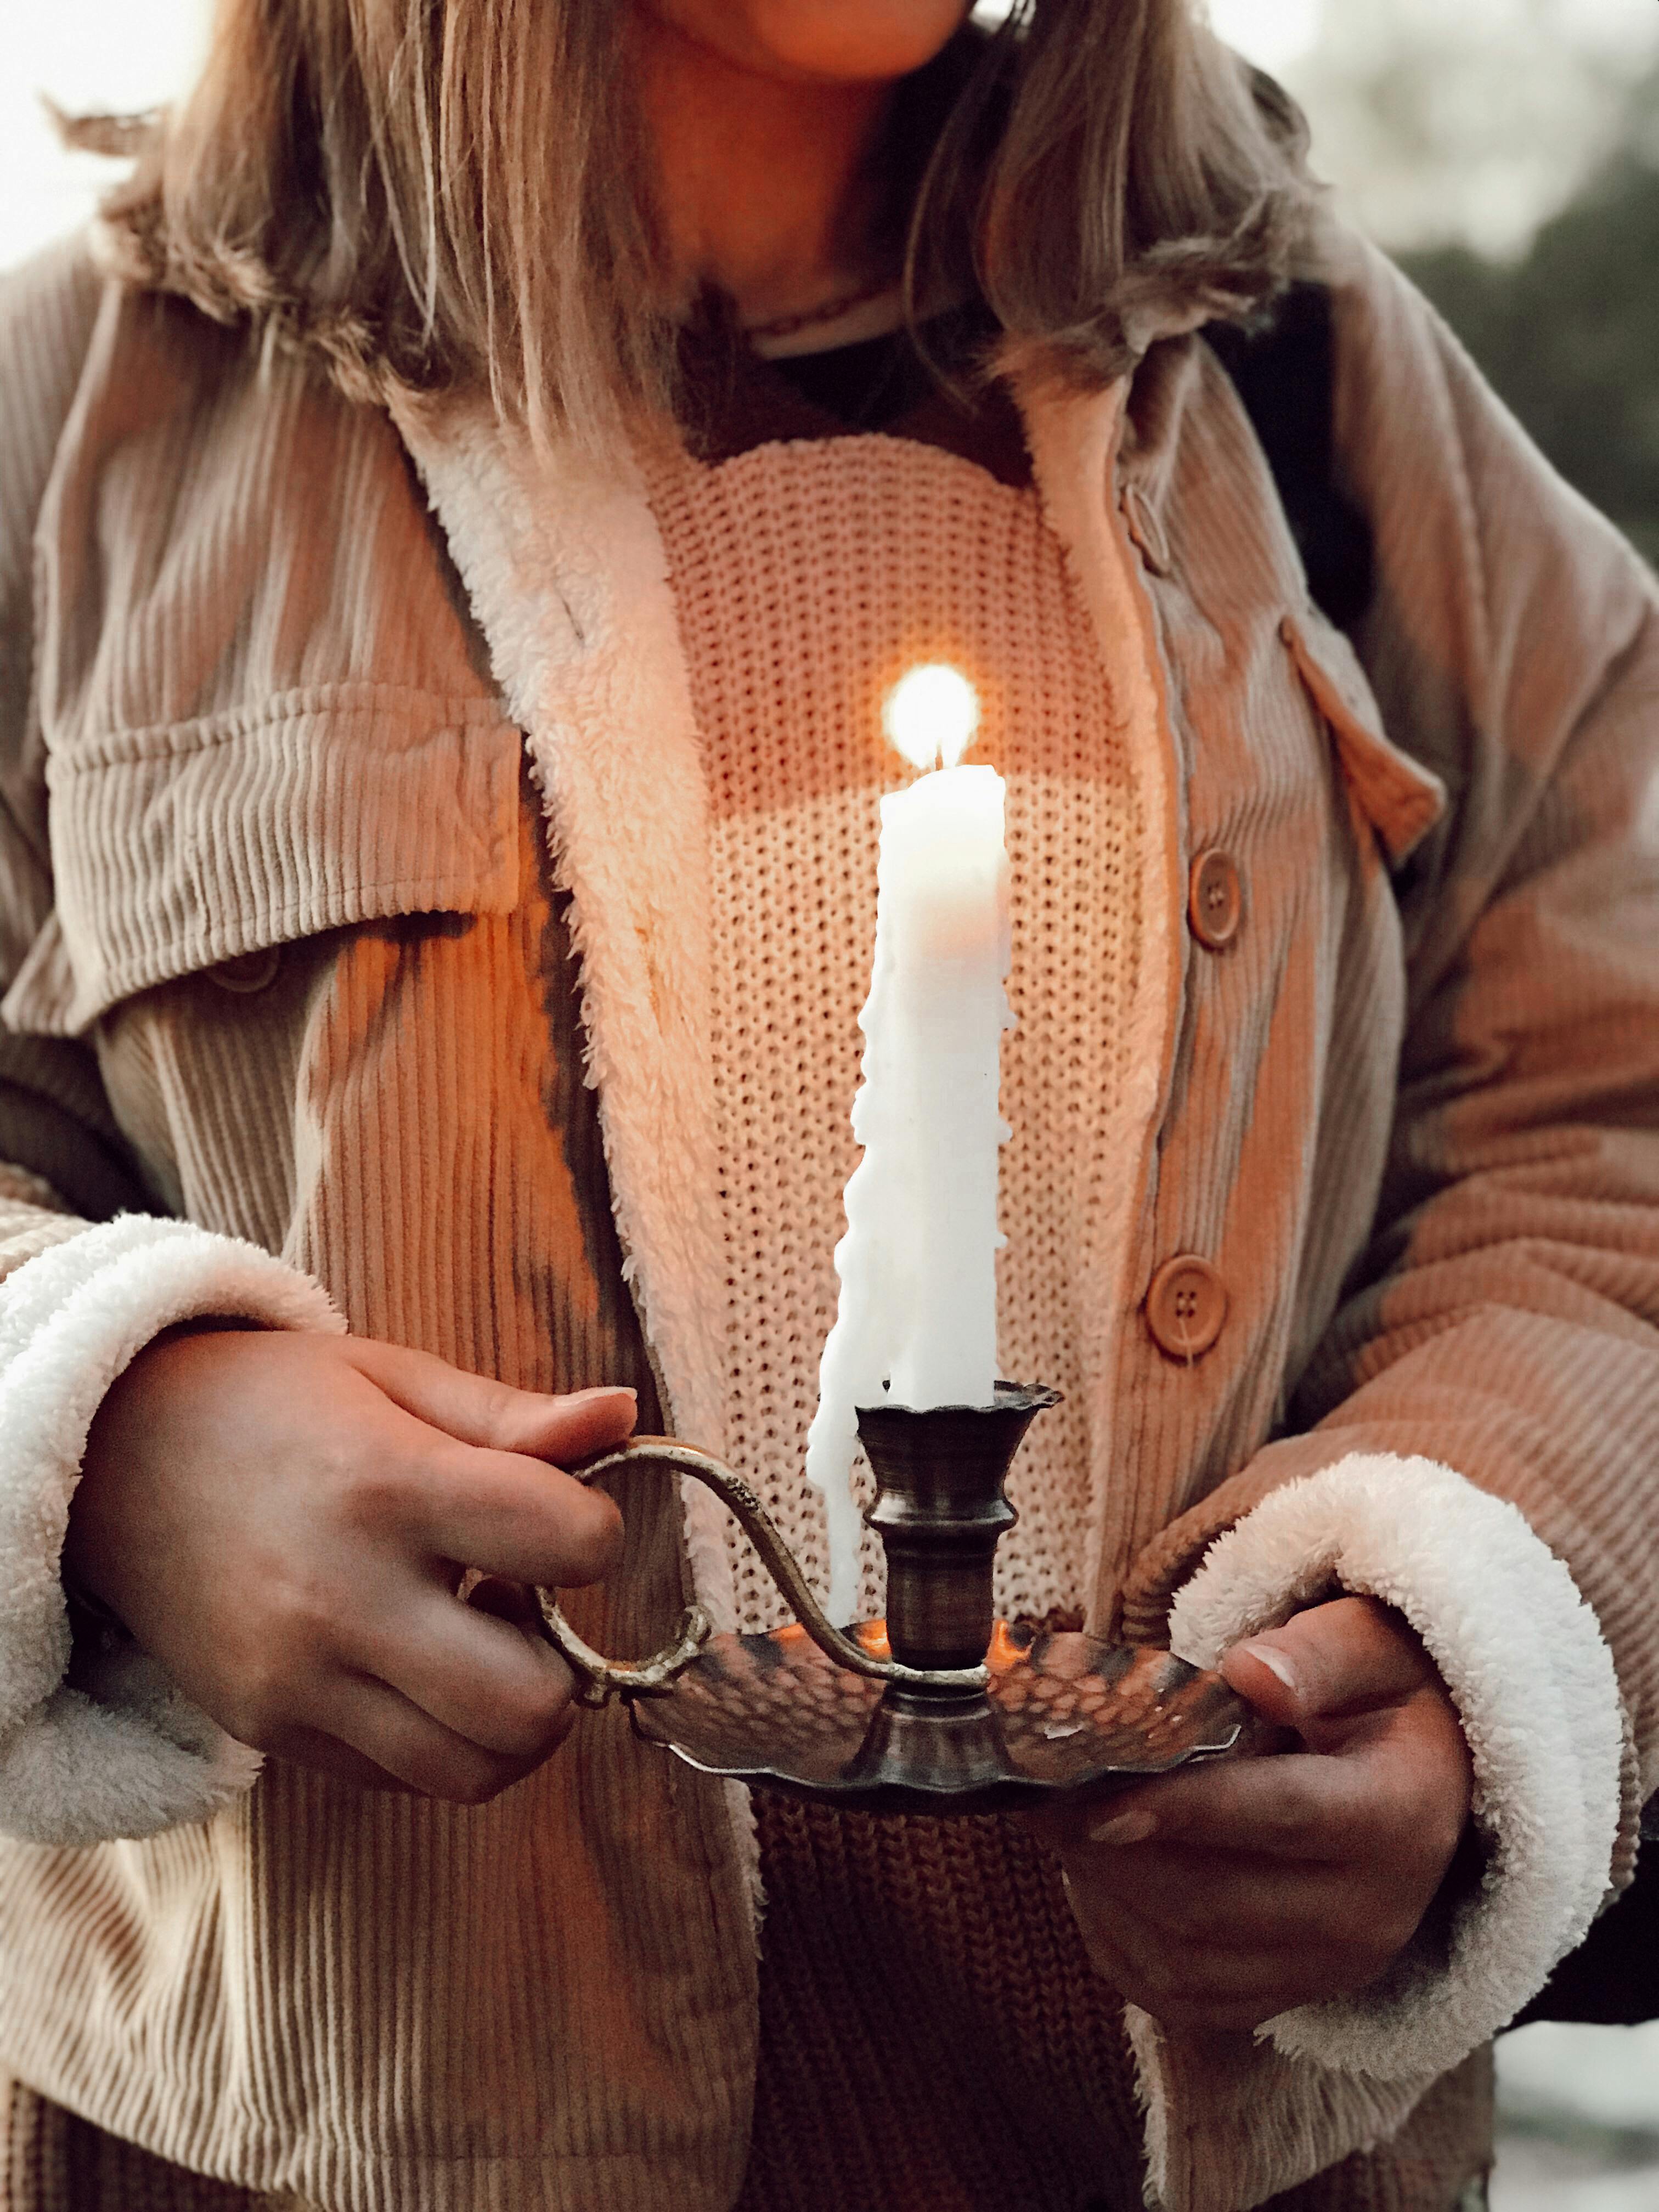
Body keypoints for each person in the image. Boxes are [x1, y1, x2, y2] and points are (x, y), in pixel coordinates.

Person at [0, 1, 1653, 2207]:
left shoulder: (1315, 387)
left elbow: (1606, 1117)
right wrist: (112, 1445)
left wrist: (1467, 1642)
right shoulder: (87, 426)